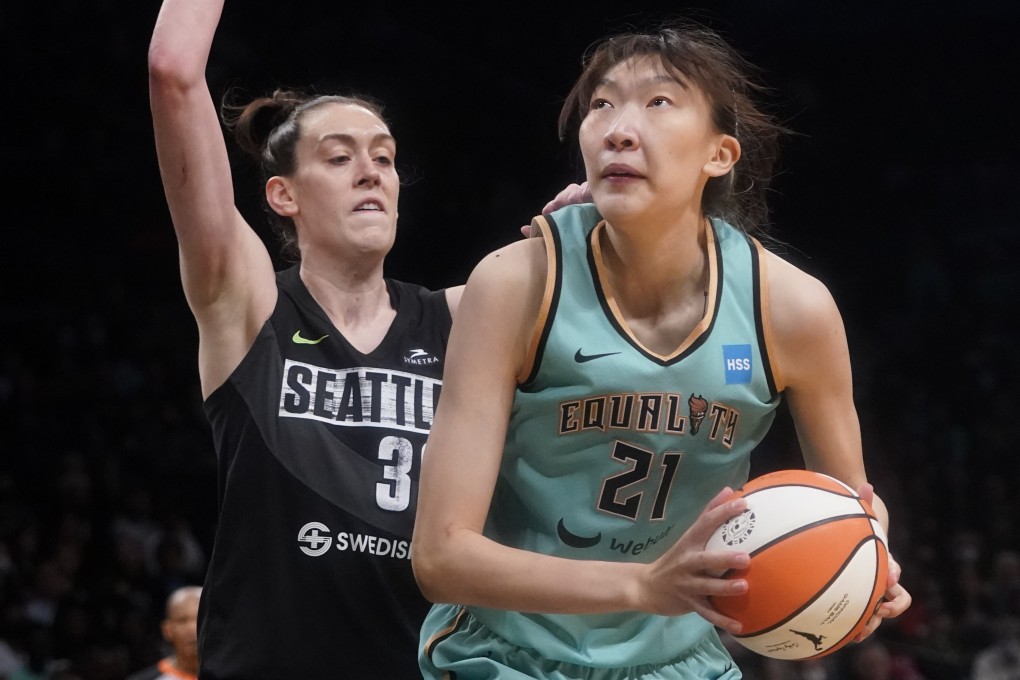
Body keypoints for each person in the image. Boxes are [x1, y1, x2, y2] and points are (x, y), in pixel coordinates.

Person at [411, 20, 912, 678]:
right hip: (506, 655)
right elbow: (441, 559)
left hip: (682, 662)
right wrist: (644, 585)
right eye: (601, 104)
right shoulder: (514, 283)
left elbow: (851, 502)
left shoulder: (792, 310)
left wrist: (867, 563)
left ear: (720, 155)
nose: (618, 127)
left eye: (658, 102)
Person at [147, 0, 582, 676]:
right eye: (340, 157)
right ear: (283, 195)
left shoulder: (463, 317)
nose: (372, 171)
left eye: (384, 157)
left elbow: (598, 274)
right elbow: (173, 71)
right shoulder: (249, 304)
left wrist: (588, 231)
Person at [126, 586, 202, 680]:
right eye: (182, 621)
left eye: (199, 620)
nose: (192, 628)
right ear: (167, 629)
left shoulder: (224, 674)